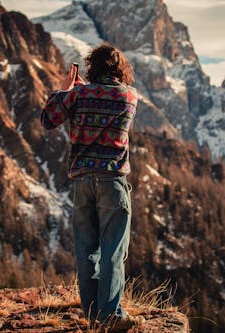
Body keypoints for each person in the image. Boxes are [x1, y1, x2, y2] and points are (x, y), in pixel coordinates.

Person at [41, 43, 143, 331]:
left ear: (91, 67)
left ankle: (93, 314)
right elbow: (105, 98)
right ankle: (109, 315)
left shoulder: (77, 95)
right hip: (112, 181)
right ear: (120, 69)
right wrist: (83, 92)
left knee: (87, 250)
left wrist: (65, 90)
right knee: (112, 251)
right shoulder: (129, 96)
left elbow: (48, 119)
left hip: (83, 180)